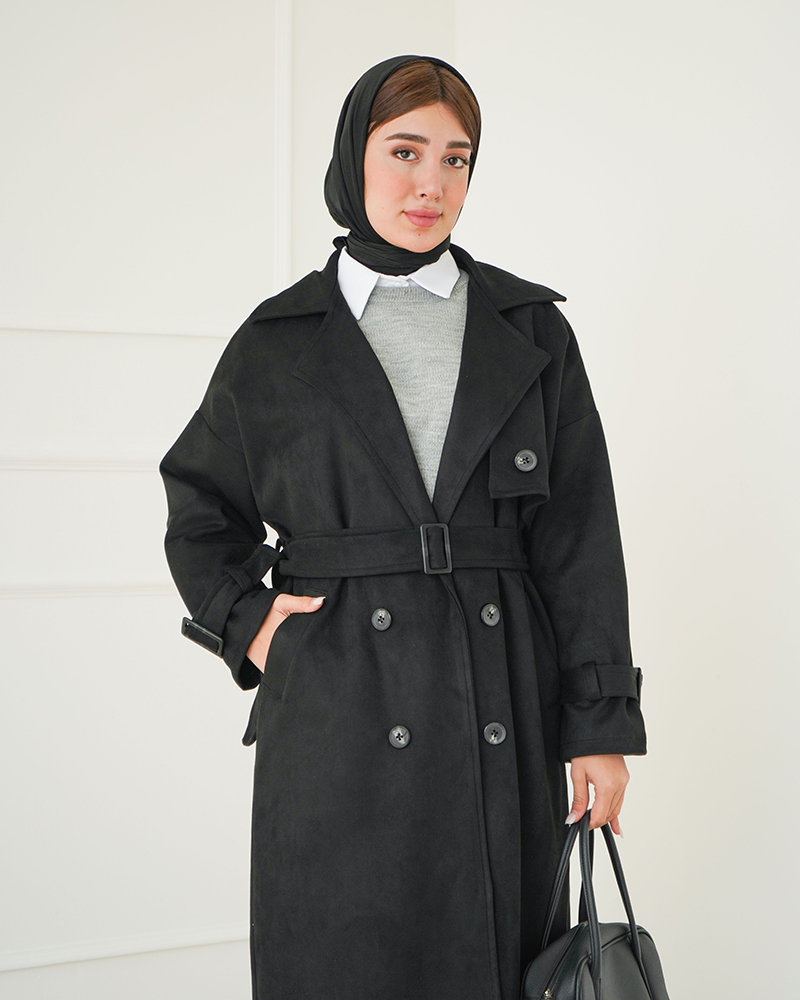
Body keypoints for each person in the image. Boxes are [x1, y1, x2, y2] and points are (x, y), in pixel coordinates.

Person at [160, 54, 646, 1000]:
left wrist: (598, 724)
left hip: (500, 697)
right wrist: (248, 623)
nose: (432, 184)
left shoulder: (529, 328)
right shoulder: (277, 340)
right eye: (405, 151)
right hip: (336, 705)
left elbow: (581, 536)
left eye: (456, 159)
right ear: (355, 157)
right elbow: (199, 504)